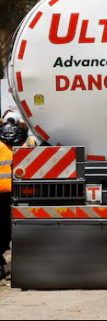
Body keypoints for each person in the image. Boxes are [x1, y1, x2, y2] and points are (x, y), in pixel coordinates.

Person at [0, 112, 28, 280]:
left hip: (1, 192)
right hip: (21, 191)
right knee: (18, 225)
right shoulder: (28, 141)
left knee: (2, 226)